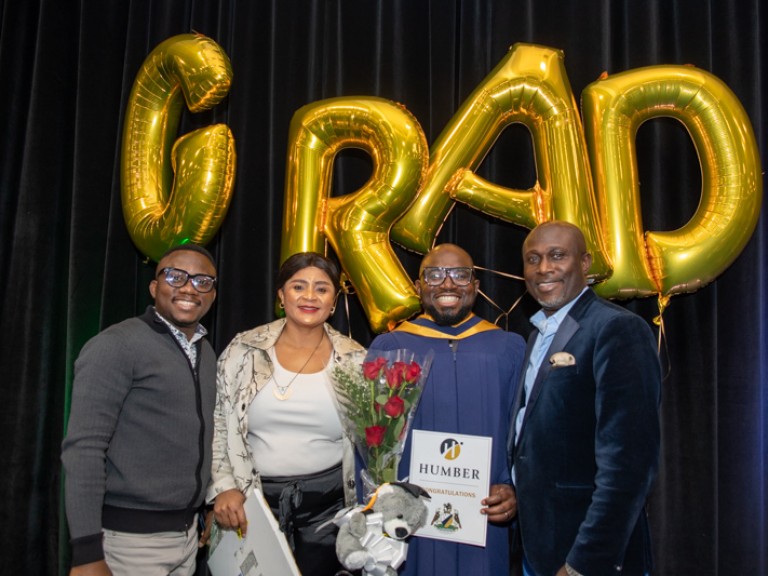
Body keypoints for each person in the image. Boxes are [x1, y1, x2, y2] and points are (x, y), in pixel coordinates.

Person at [509, 221, 661, 576]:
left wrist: (583, 564)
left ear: (586, 263)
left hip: (587, 556)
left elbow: (629, 466)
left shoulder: (616, 329)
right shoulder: (535, 336)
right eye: (533, 259)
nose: (543, 268)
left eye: (557, 256)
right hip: (539, 547)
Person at [367, 243, 525, 576]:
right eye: (434, 274)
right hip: (411, 521)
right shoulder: (391, 348)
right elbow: (370, 441)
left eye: (460, 274)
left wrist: (514, 490)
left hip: (486, 515)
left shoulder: (507, 347)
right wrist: (382, 496)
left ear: (476, 286)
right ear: (418, 286)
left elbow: (525, 436)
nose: (447, 283)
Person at [61, 244, 219, 576]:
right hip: (128, 542)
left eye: (203, 281)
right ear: (154, 287)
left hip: (188, 538)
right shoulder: (116, 345)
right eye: (176, 276)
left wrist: (204, 507)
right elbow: (84, 450)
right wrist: (86, 552)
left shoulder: (205, 353)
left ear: (213, 294)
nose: (190, 287)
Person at [208, 252, 365, 576]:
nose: (310, 296)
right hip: (251, 505)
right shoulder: (244, 349)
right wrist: (223, 486)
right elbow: (219, 423)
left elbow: (371, 443)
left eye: (321, 289)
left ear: (333, 300)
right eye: (298, 287)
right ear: (281, 295)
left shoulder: (355, 360)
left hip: (330, 511)